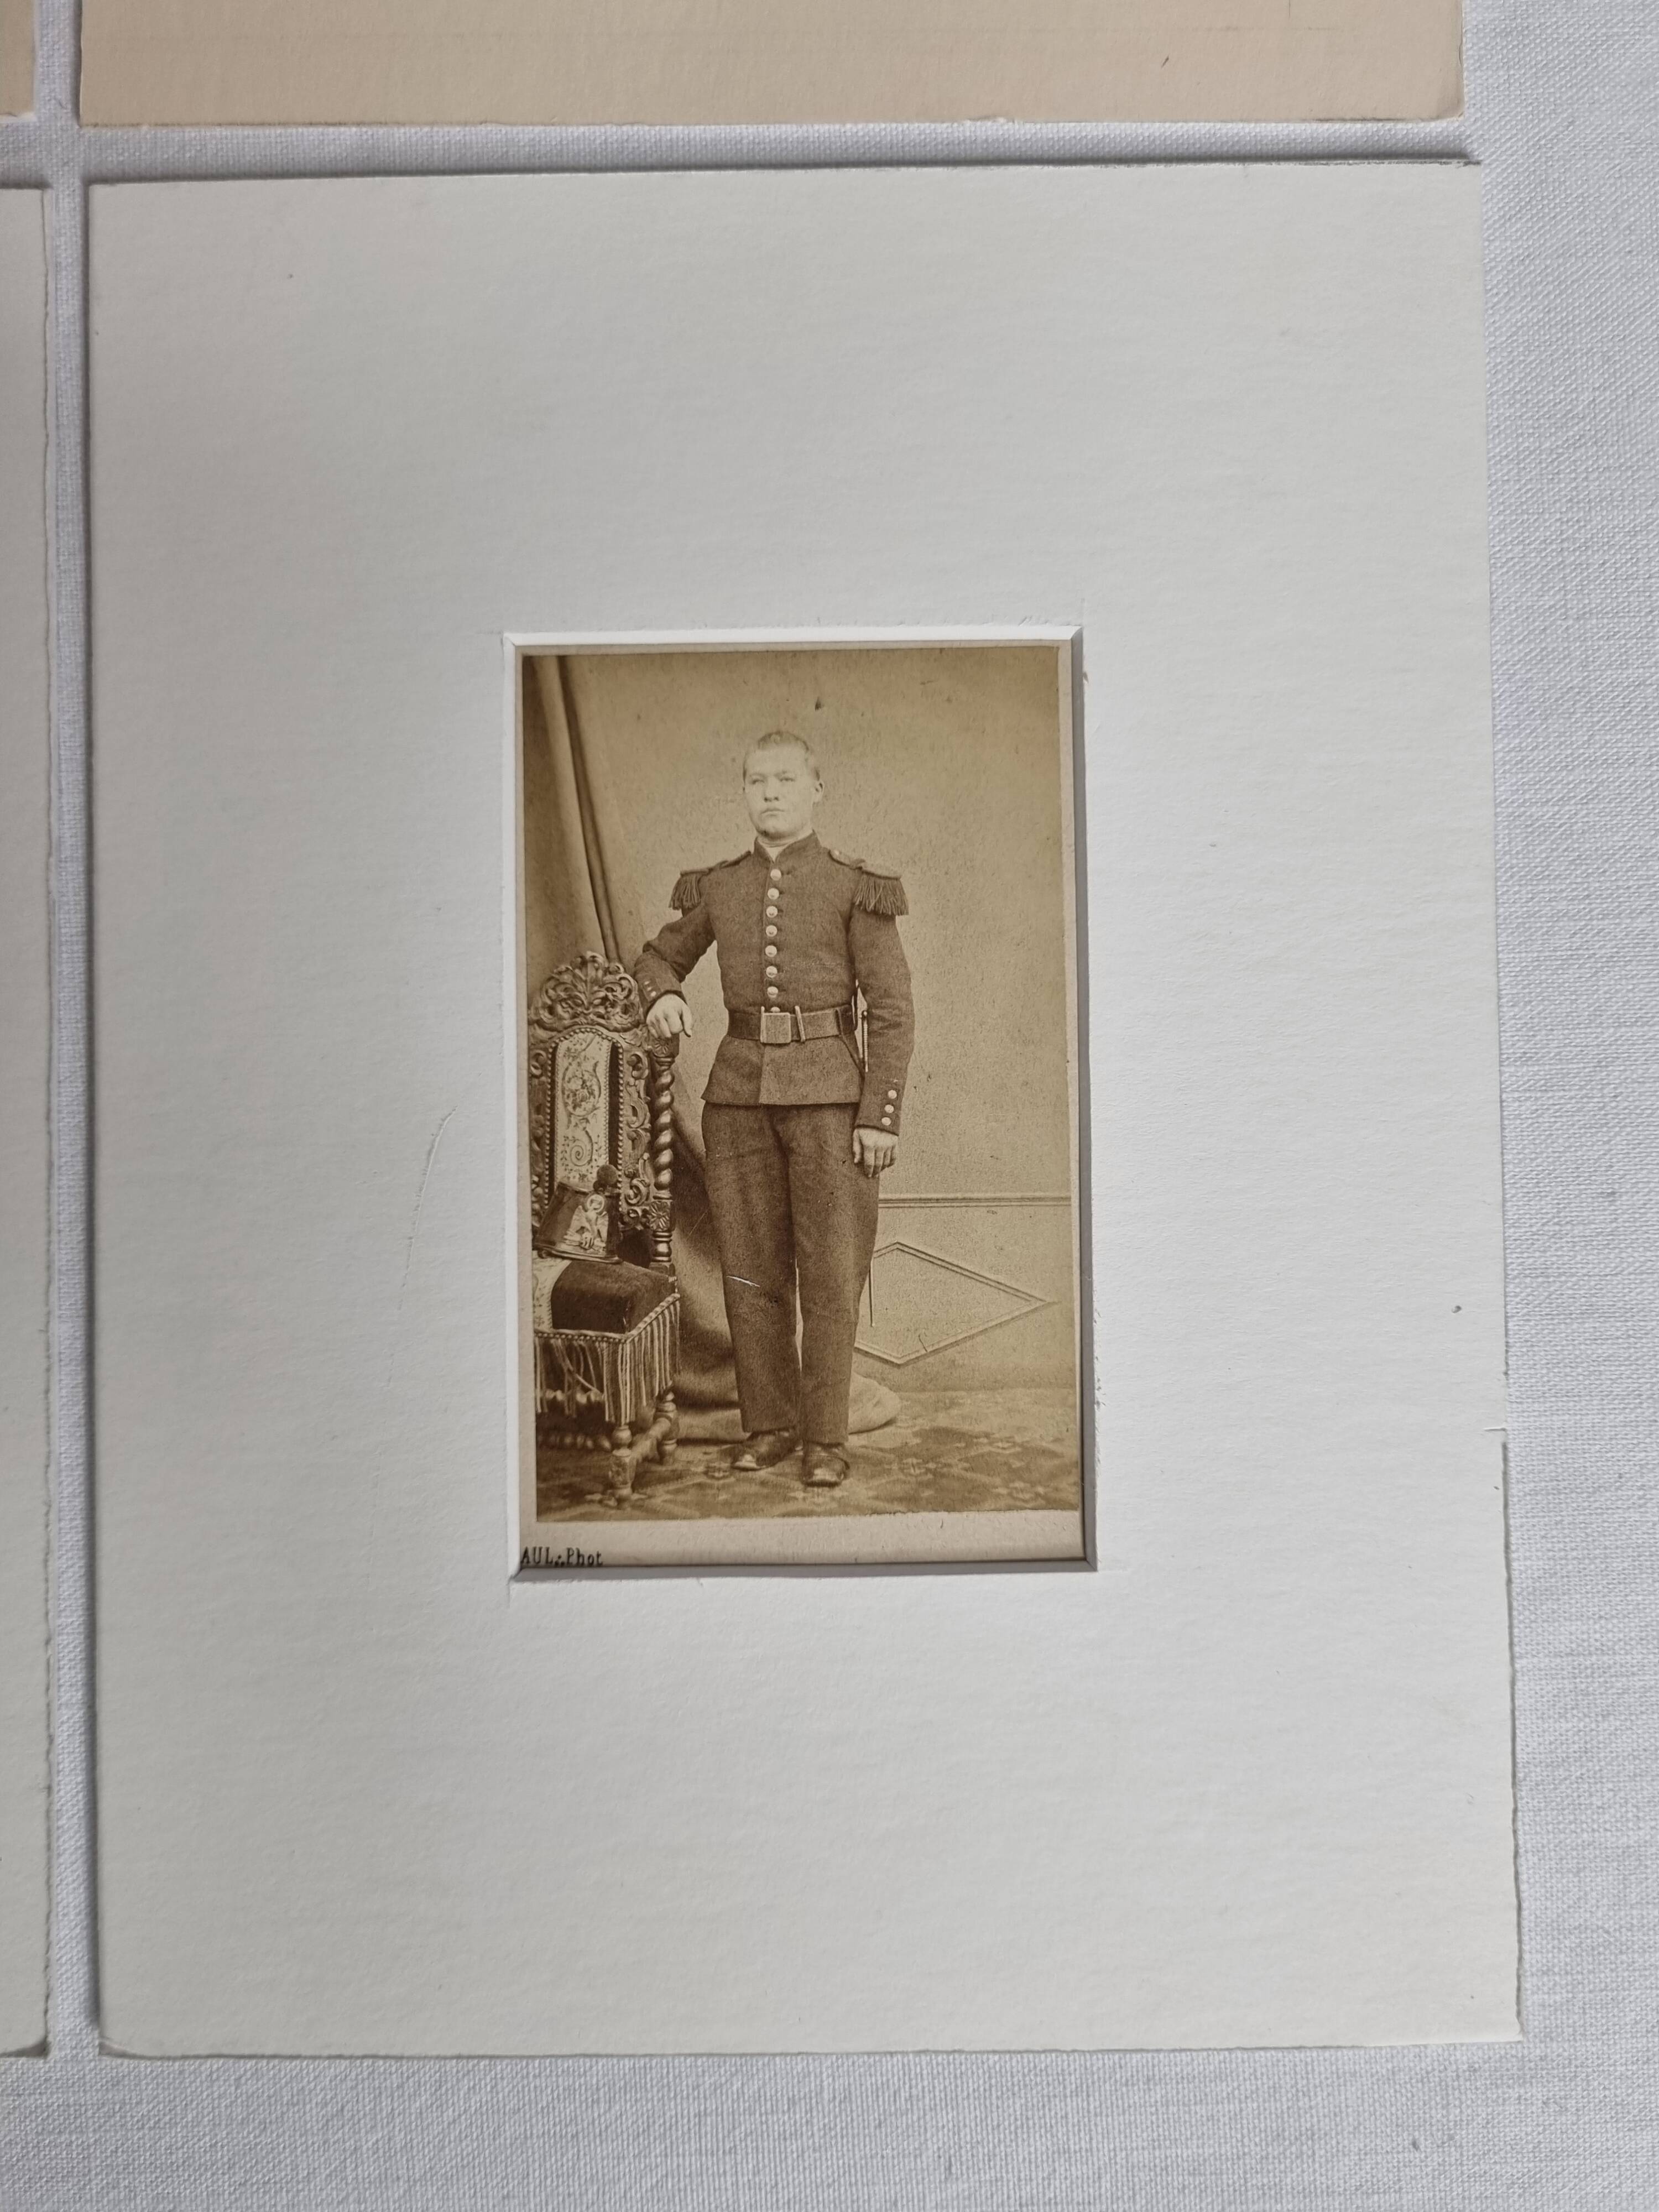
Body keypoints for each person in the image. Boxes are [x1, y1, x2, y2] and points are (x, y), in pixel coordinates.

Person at [634, 731, 914, 1487]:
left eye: (787, 780)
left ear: (817, 790)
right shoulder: (719, 887)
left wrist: (879, 1115)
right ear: (745, 792)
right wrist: (661, 993)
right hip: (738, 1101)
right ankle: (769, 1428)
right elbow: (658, 956)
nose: (771, 793)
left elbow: (891, 1010)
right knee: (751, 1275)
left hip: (831, 1102)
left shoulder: (856, 886)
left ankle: (825, 1439)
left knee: (828, 1275)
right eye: (757, 781)